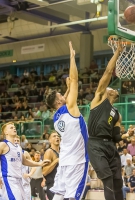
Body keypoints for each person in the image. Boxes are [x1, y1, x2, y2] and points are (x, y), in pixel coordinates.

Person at [46, 42, 89, 200]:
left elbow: (66, 97)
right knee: (73, 198)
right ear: (58, 102)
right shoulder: (70, 107)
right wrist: (72, 57)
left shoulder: (55, 117)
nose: (63, 95)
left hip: (64, 161)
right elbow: (75, 80)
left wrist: (68, 88)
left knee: (59, 195)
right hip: (77, 162)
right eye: (60, 95)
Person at [87, 43, 129, 200]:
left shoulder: (117, 114)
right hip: (96, 144)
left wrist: (126, 135)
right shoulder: (98, 99)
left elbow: (117, 138)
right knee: (108, 182)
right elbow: (108, 71)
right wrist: (118, 51)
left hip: (110, 146)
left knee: (118, 182)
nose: (109, 87)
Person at [0, 122, 49, 200]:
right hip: (9, 179)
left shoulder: (18, 147)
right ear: (5, 132)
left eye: (14, 127)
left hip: (19, 180)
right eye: (11, 127)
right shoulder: (2, 145)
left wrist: (40, 164)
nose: (14, 128)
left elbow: (24, 161)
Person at [43, 131, 60, 200]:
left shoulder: (62, 151)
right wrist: (55, 161)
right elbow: (44, 172)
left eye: (58, 136)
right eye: (54, 136)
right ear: (49, 140)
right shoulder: (49, 152)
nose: (57, 137)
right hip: (53, 185)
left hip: (62, 184)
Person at [14, 136, 32, 200]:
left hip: (25, 185)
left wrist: (29, 174)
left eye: (17, 141)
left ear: (20, 142)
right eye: (14, 141)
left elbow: (33, 166)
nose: (16, 142)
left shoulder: (25, 153)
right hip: (15, 185)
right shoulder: (9, 154)